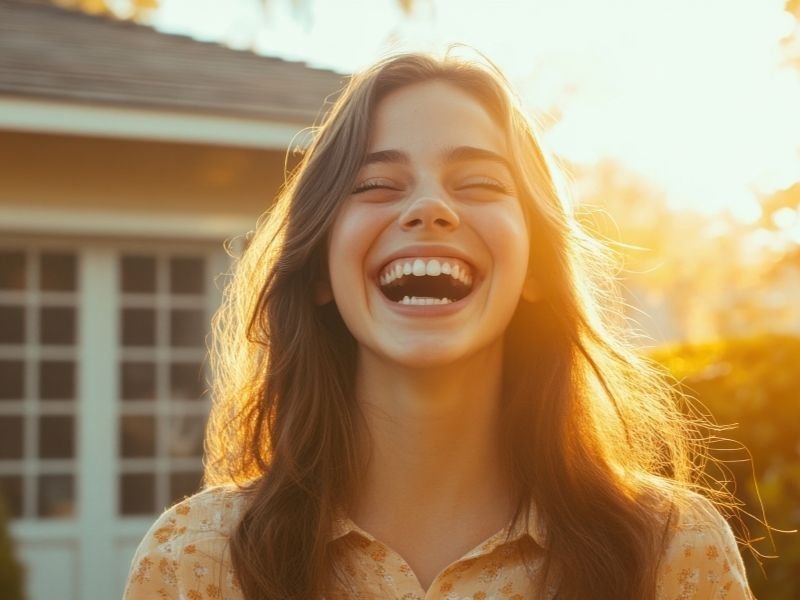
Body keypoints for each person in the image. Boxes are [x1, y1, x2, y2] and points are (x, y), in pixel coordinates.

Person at [123, 52, 755, 599]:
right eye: (376, 184)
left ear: (536, 267)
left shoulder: (671, 548)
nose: (429, 208)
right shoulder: (195, 558)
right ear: (319, 270)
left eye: (479, 182)